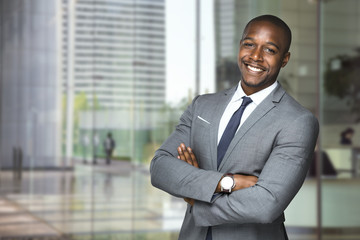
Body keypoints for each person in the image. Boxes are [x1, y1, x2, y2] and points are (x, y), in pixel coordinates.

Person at [150, 15, 319, 240]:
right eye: (249, 44)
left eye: (269, 50)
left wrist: (195, 196)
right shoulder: (203, 105)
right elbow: (161, 167)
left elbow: (266, 204)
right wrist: (227, 183)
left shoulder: (297, 121)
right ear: (240, 47)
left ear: (285, 59)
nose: (255, 56)